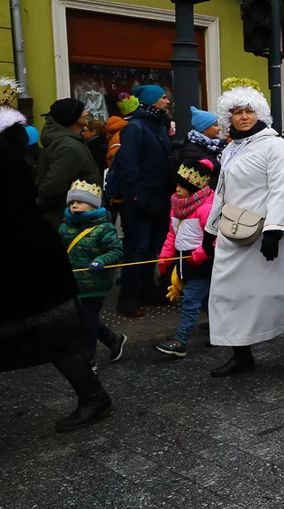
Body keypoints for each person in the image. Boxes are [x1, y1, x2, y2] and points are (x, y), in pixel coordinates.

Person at [0, 107, 113, 432]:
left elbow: (43, 188)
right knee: (53, 329)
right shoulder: (30, 143)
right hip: (28, 248)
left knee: (54, 330)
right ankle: (94, 395)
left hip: (22, 254)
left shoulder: (13, 149)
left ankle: (94, 396)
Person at [204, 81, 284, 377]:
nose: (243, 117)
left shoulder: (277, 146)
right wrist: (211, 228)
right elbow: (222, 189)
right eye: (237, 112)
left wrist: (274, 231)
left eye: (249, 111)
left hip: (267, 233)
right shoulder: (231, 149)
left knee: (282, 291)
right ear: (227, 117)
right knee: (228, 293)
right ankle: (240, 353)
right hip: (233, 232)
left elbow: (283, 190)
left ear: (260, 114)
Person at [106, 84, 174, 317]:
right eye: (163, 98)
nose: (167, 101)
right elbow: (129, 165)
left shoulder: (157, 126)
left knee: (151, 248)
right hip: (141, 200)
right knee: (137, 248)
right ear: (151, 101)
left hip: (159, 199)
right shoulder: (135, 127)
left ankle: (147, 290)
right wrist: (136, 196)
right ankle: (128, 298)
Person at [58, 180, 126, 367]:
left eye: (80, 201)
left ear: (94, 204)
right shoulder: (65, 227)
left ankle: (89, 361)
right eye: (72, 202)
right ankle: (112, 339)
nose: (75, 205)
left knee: (86, 324)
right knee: (82, 321)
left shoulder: (104, 228)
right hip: (71, 283)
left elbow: (116, 252)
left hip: (94, 285)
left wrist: (101, 261)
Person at [154, 160, 217, 358]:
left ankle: (180, 340)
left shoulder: (206, 208)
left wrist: (201, 253)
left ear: (194, 187)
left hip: (202, 263)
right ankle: (224, 328)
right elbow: (172, 235)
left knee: (190, 300)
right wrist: (165, 259)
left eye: (183, 186)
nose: (177, 189)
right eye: (177, 185)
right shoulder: (177, 207)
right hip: (184, 262)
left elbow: (215, 237)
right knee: (205, 299)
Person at [36, 98, 101, 228]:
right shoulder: (68, 146)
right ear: (72, 117)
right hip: (70, 220)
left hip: (70, 216)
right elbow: (53, 186)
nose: (86, 112)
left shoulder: (68, 142)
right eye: (82, 110)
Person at [175, 105, 225, 182]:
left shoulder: (217, 145)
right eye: (215, 125)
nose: (219, 128)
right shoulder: (191, 150)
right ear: (204, 129)